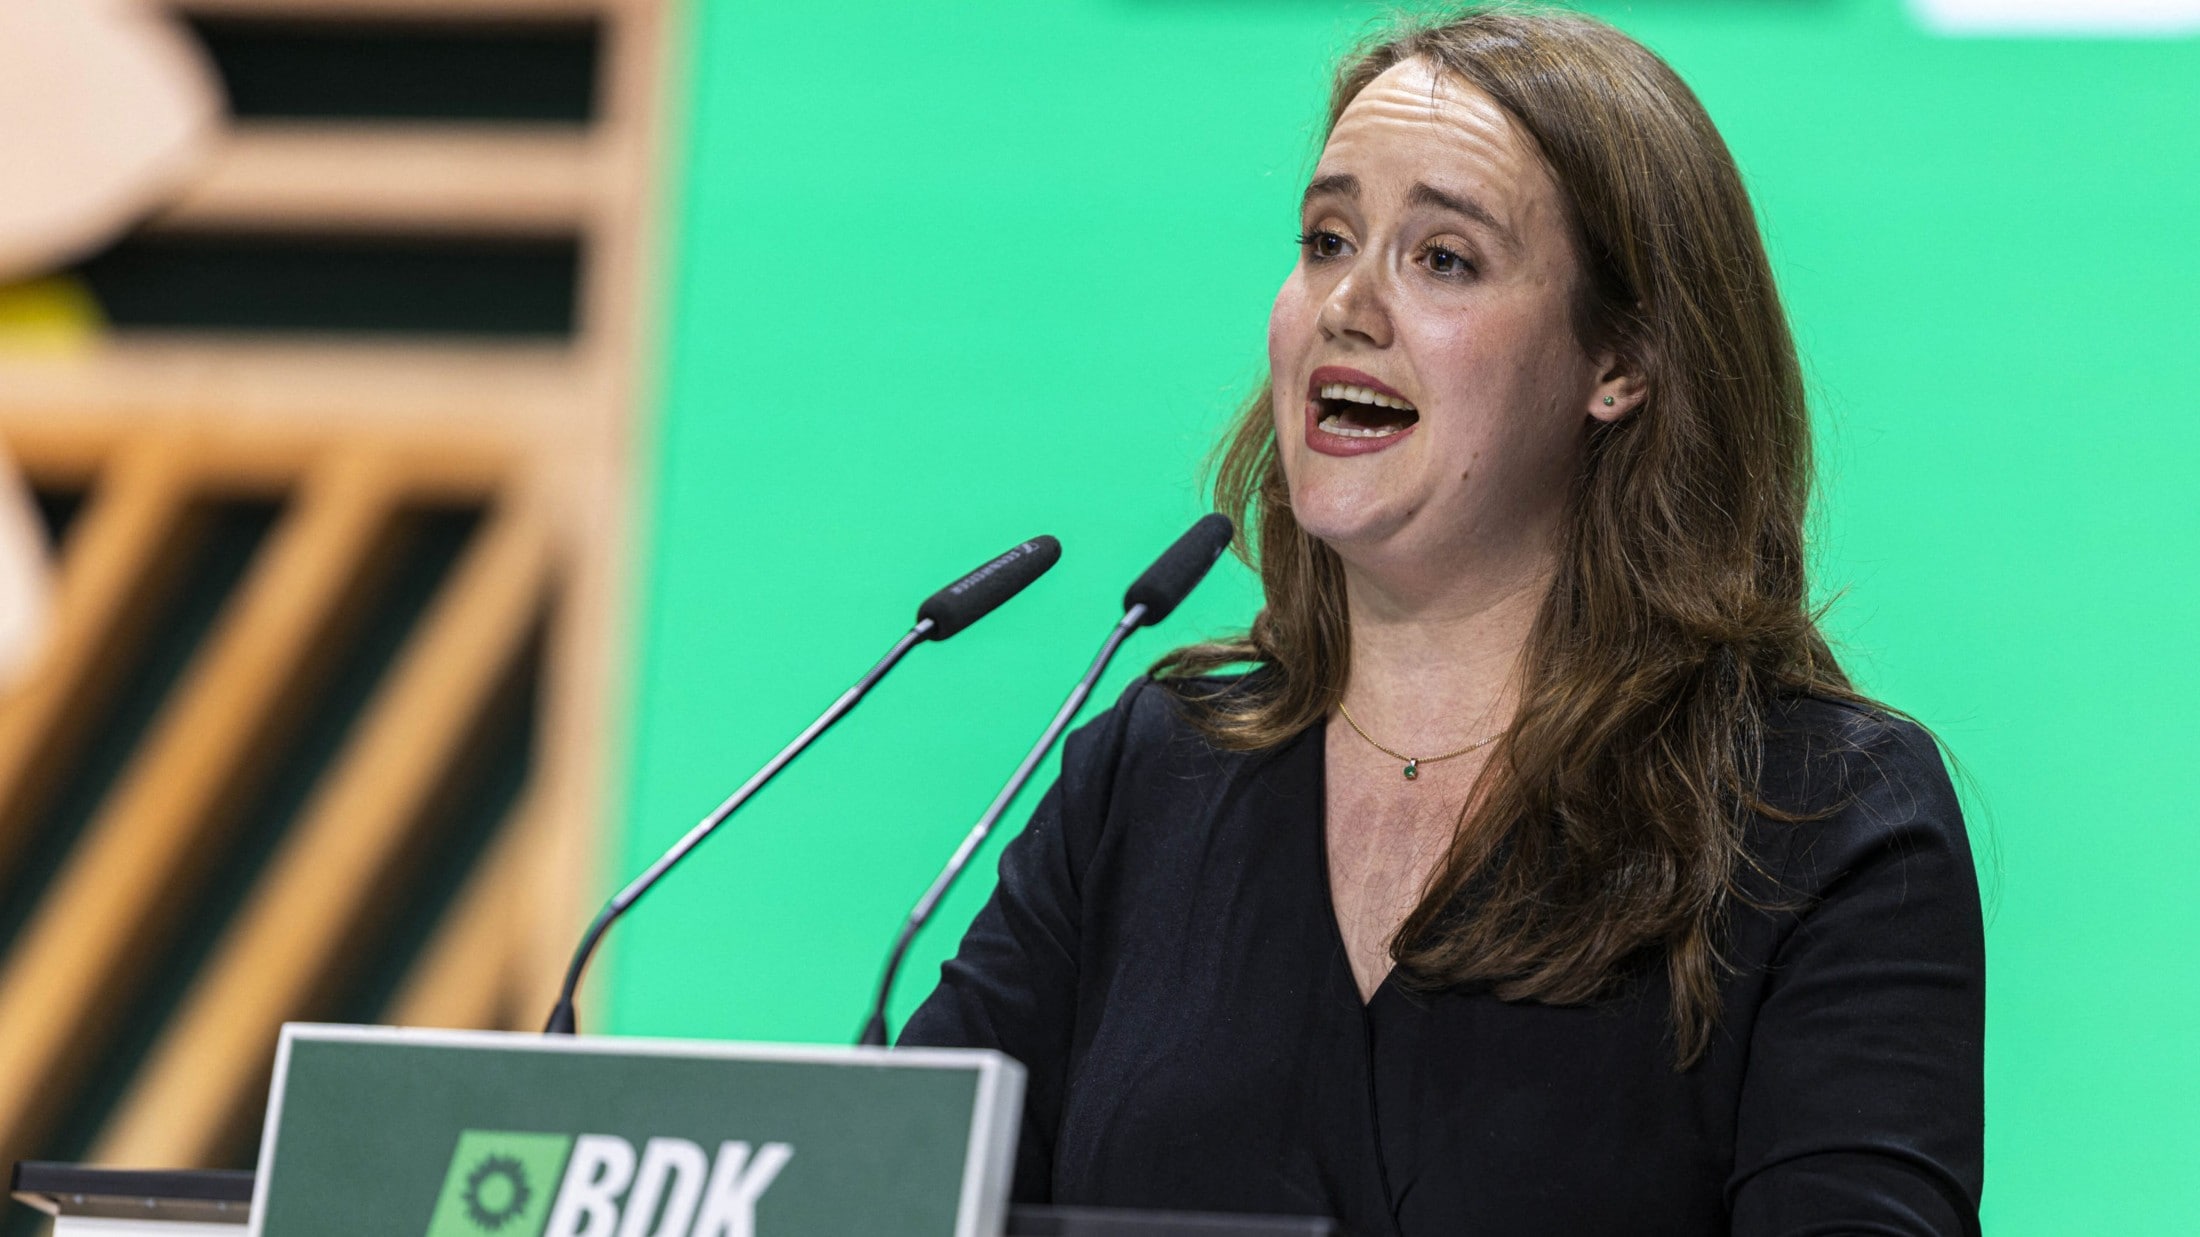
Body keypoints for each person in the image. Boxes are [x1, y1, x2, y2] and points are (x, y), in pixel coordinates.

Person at [899, 8, 1985, 1236]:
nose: (1346, 306)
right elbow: (890, 1189)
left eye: (1445, 259)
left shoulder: (1817, 812)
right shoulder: (1153, 776)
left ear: (1619, 363)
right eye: (1326, 241)